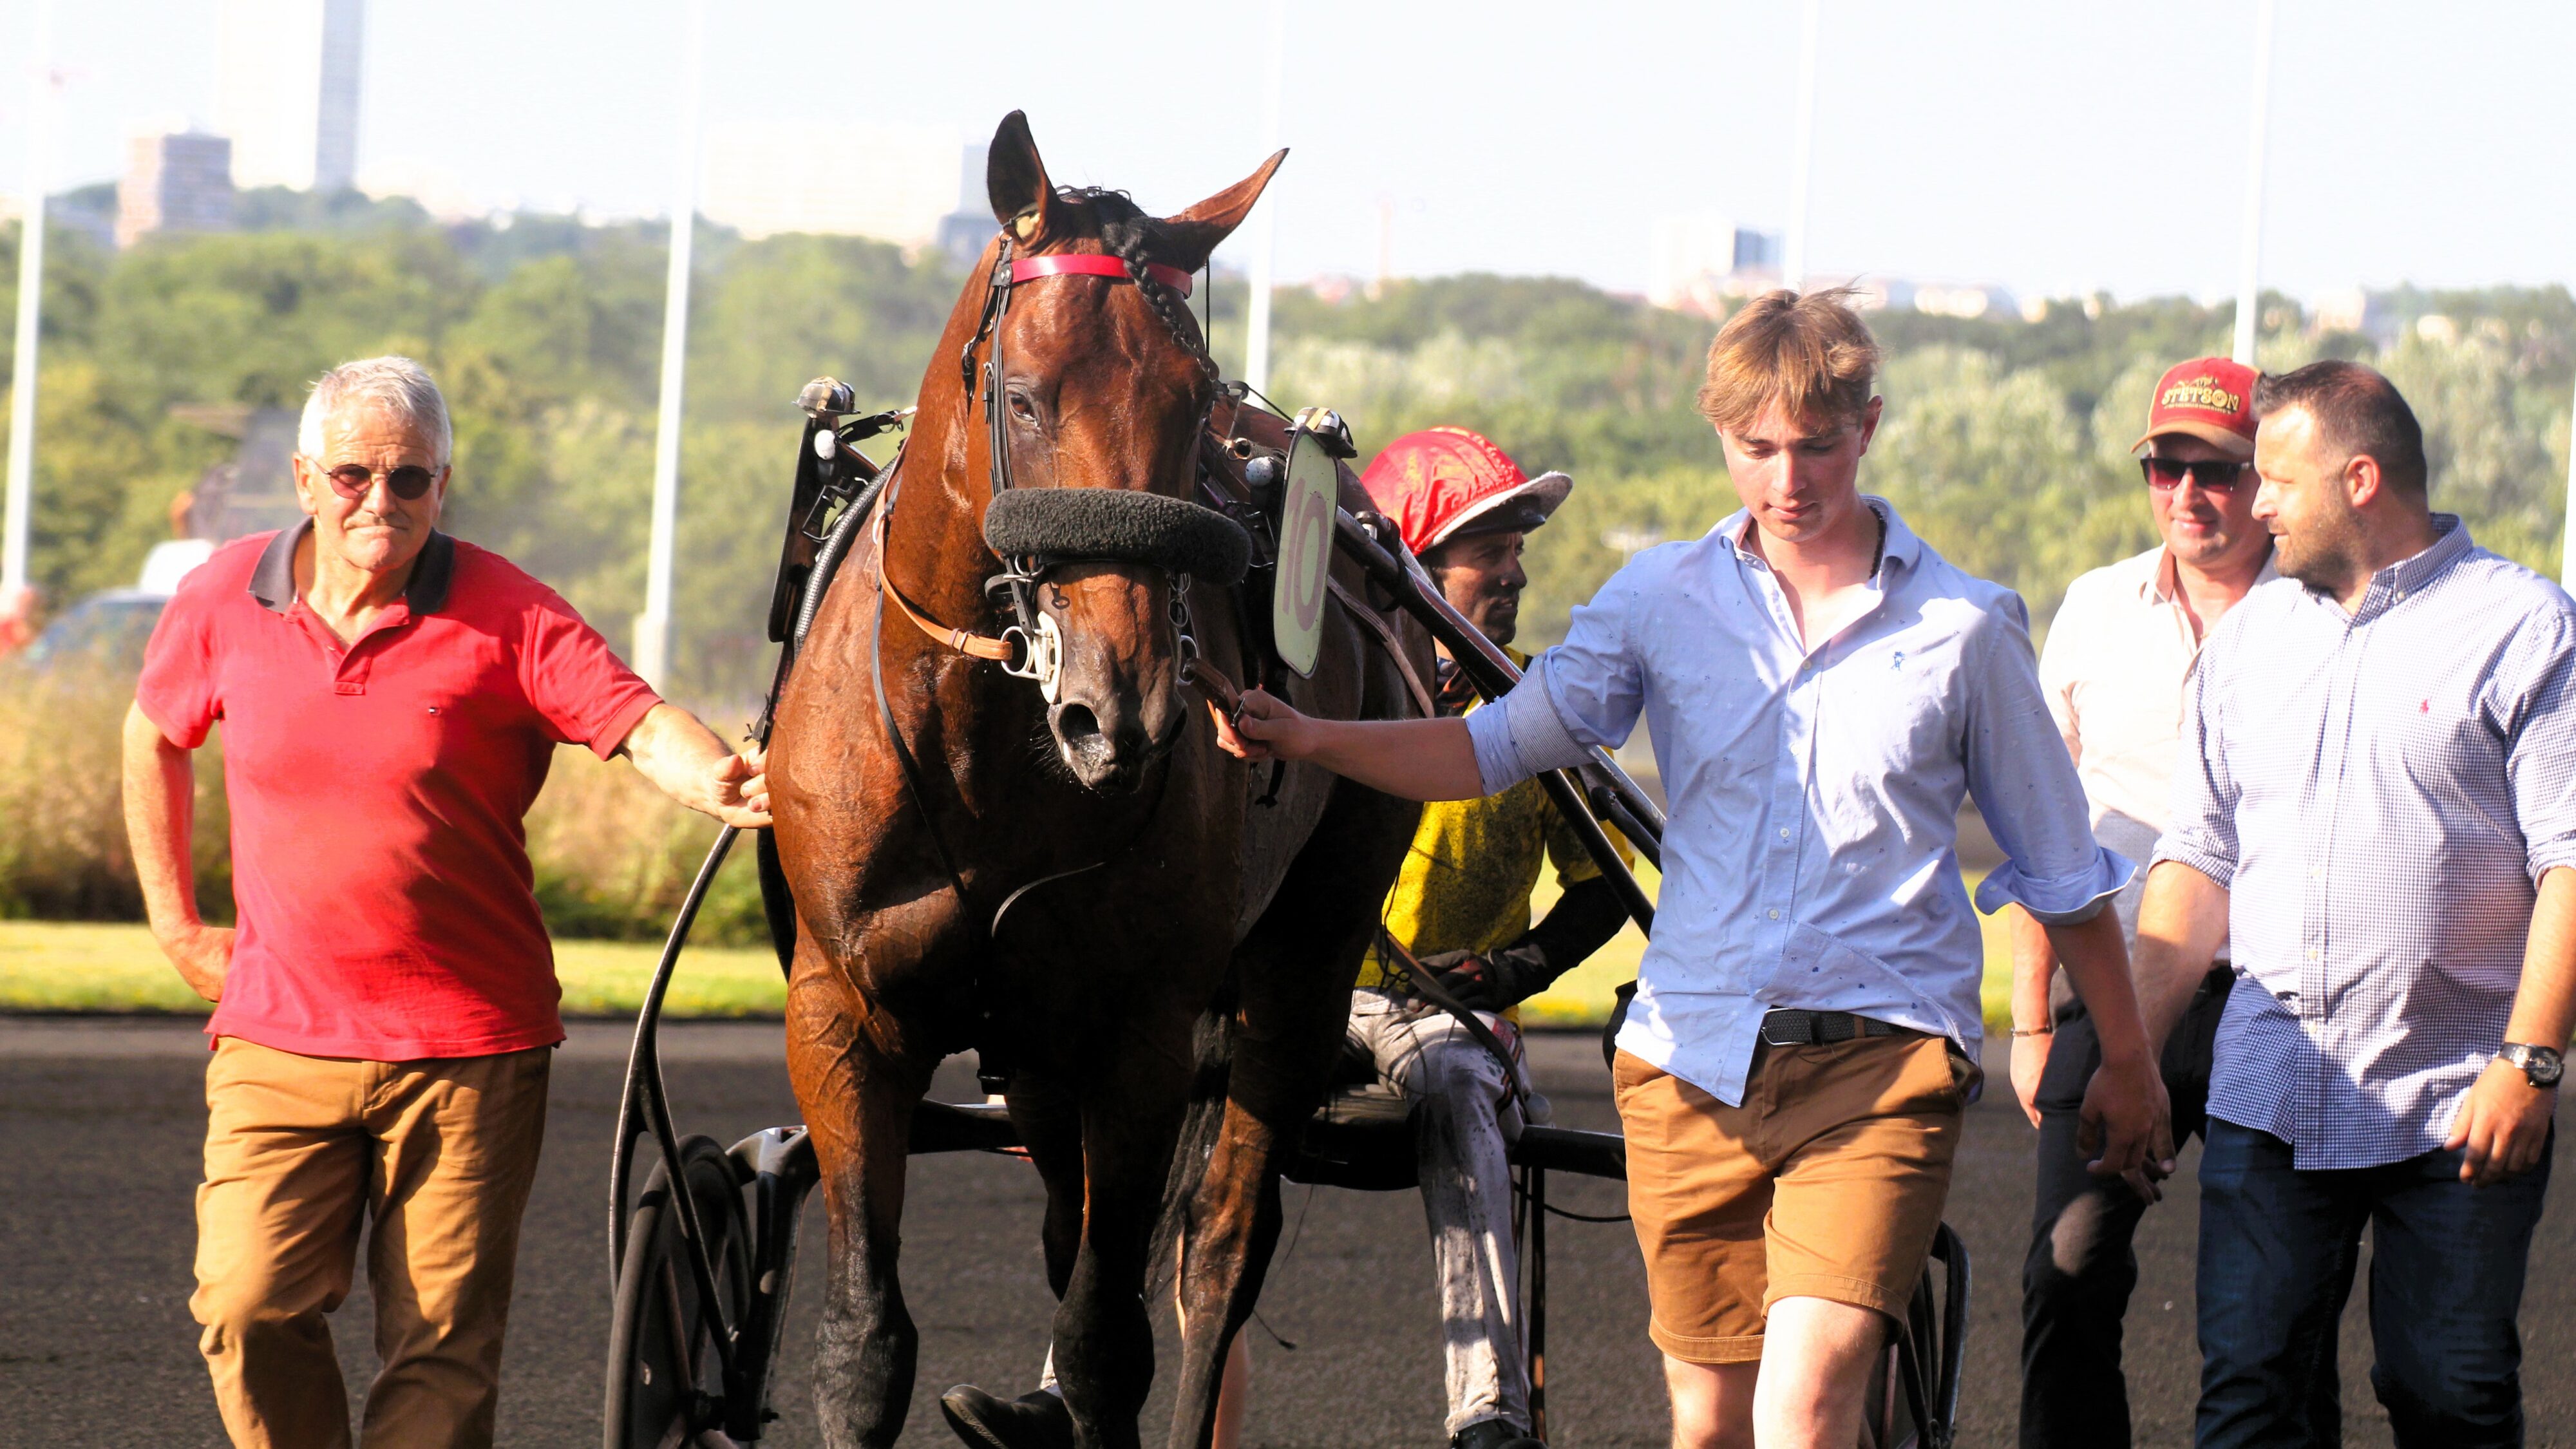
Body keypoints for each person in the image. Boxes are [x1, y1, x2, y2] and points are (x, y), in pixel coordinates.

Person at [1223, 290, 2171, 1449]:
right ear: (1720, 435)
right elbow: (1488, 746)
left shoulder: (1967, 629)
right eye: (1757, 448)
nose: (1788, 479)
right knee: (1712, 1425)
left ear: (1866, 426)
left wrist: (2127, 1061)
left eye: (1816, 445)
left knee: (1805, 1409)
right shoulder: (1659, 601)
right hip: (1689, 1069)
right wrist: (1311, 735)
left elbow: (2065, 871)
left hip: (1881, 1065)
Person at [121, 356, 772, 1449]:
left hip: (469, 1048)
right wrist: (178, 926)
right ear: (302, 479)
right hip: (280, 1039)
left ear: (443, 483)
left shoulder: (510, 610)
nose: (382, 501)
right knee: (244, 1306)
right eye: (353, 475)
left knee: (441, 1351)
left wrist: (713, 773)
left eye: (411, 479)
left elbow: (635, 717)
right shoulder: (220, 598)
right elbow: (153, 736)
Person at [938, 426, 1631, 1449]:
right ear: (1421, 567)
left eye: (1519, 546)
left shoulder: (1533, 710)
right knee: (1152, 1092)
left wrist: (1506, 971)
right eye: (1498, 546)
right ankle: (1066, 1385)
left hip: (1441, 1018)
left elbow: (1607, 888)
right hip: (1290, 998)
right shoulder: (1326, 704)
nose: (1518, 571)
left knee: (1452, 1090)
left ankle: (1487, 1410)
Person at [2130, 359, 2576, 1448]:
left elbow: (2572, 861)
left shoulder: (2527, 627)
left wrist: (2532, 1062)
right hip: (2272, 1091)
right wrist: (2131, 1054)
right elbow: (2198, 861)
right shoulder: (2250, 641)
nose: (2257, 503)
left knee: (2446, 1394)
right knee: (2248, 1400)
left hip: (2461, 1098)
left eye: (2273, 478)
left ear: (2361, 478)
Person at [2009, 357, 2278, 1447]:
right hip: (2118, 993)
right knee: (2064, 1276)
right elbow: (2043, 829)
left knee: (2270, 1312)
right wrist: (2029, 1022)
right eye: (2166, 466)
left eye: (2215, 470)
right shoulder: (2090, 608)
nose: (2186, 493)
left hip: (2283, 998)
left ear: (2268, 478)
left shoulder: (2325, 615)